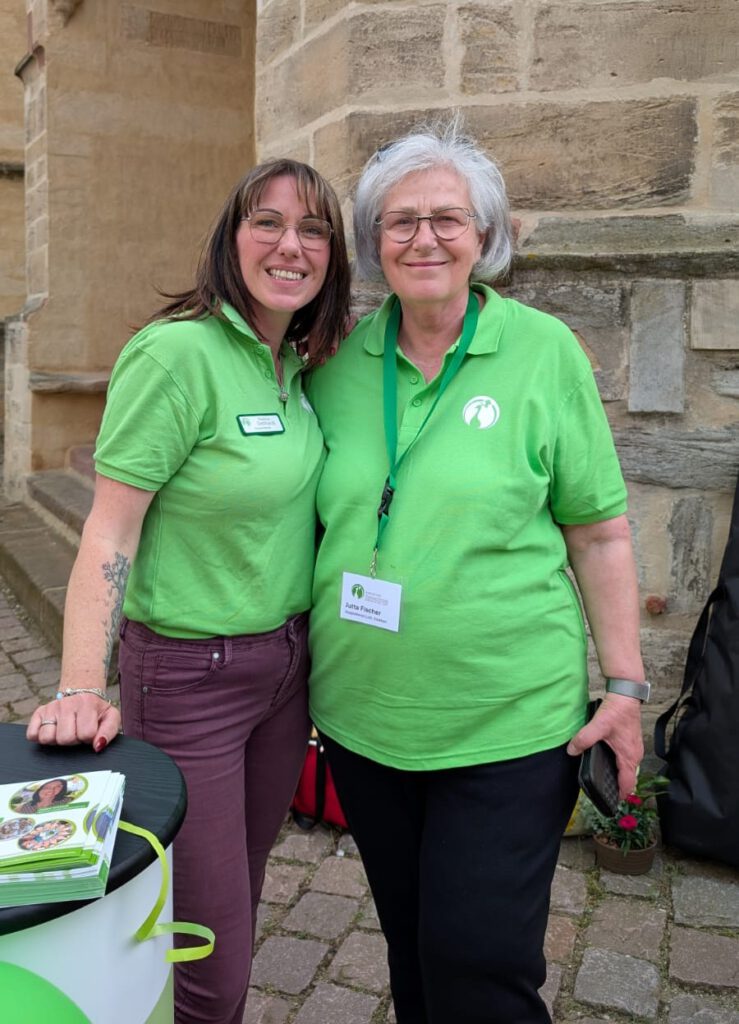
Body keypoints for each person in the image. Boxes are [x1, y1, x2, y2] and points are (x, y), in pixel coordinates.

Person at [306, 120, 647, 1024]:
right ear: (373, 242)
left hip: (508, 724)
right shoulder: (333, 363)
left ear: (485, 237)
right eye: (399, 221)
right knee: (415, 947)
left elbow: (600, 534)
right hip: (363, 720)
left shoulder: (544, 354)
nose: (424, 238)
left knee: (481, 965)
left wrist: (623, 686)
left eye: (448, 219)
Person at [27, 158, 351, 1024]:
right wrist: (77, 688)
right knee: (213, 944)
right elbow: (110, 526)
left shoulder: (297, 365)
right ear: (229, 239)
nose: (291, 244)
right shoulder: (177, 354)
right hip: (188, 677)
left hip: (284, 676)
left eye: (313, 229)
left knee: (233, 896)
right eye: (268, 223)